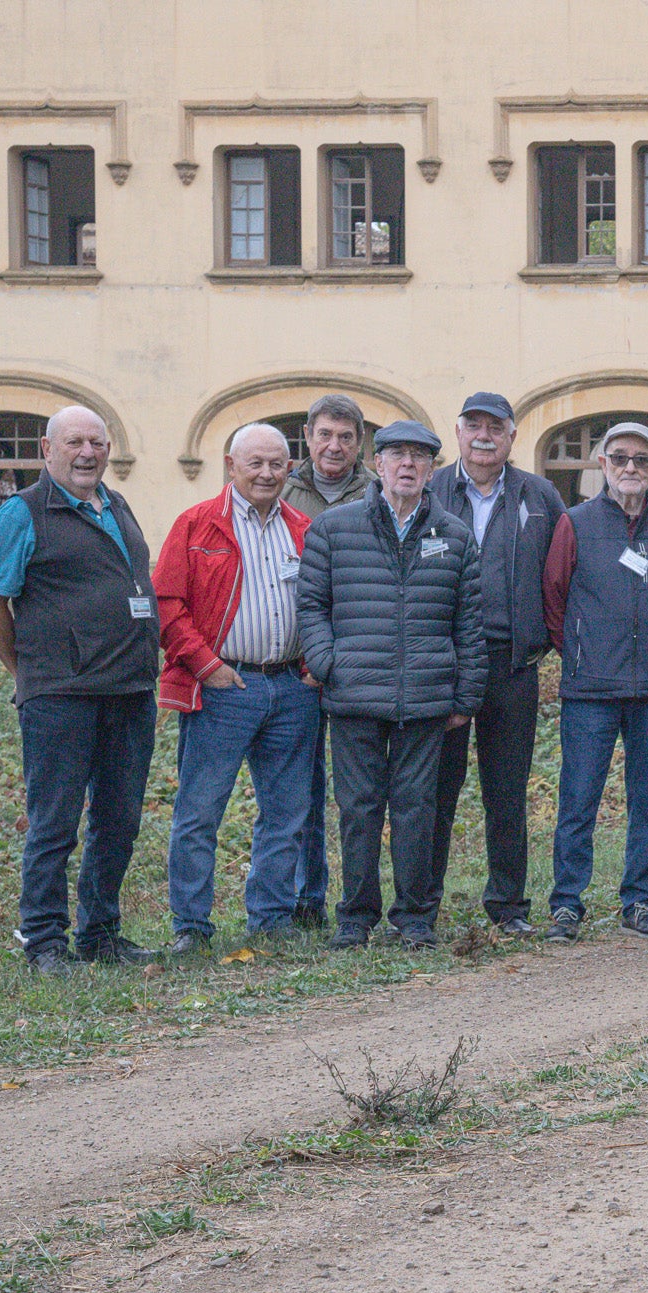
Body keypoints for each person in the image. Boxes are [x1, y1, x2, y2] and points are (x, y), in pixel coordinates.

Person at [0, 406, 160, 974]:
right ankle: (44, 941)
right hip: (60, 696)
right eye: (74, 442)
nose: (87, 452)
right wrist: (29, 672)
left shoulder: (117, 504)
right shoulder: (21, 512)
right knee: (54, 822)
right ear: (47, 451)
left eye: (97, 442)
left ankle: (100, 934)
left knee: (119, 818)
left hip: (129, 690)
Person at [297, 420, 484, 950]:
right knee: (357, 809)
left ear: (431, 469)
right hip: (355, 695)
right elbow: (311, 605)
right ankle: (355, 916)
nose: (407, 465)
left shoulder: (453, 535)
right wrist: (328, 661)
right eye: (397, 455)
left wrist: (466, 695)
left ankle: (414, 916)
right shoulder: (334, 528)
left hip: (426, 697)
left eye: (419, 458)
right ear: (377, 465)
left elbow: (467, 624)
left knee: (417, 809)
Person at [154, 423, 318, 953]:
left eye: (277, 464)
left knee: (287, 813)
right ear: (231, 464)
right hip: (224, 686)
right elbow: (167, 605)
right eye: (256, 463)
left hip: (293, 687)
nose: (267, 473)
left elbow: (325, 601)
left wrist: (317, 660)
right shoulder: (197, 525)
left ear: (290, 468)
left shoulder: (304, 529)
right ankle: (192, 928)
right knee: (200, 811)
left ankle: (270, 920)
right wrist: (206, 665)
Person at [542, 422, 648, 942]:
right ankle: (567, 903)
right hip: (591, 688)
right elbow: (555, 598)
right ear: (603, 465)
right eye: (620, 458)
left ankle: (638, 901)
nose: (631, 467)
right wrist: (585, 652)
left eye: (642, 459)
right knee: (579, 797)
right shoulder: (576, 523)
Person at [424, 392, 566, 937]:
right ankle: (422, 905)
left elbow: (560, 572)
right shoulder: (432, 489)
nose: (484, 436)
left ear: (512, 436)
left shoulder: (539, 494)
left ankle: (508, 906)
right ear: (457, 432)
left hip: (512, 663)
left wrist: (547, 640)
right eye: (473, 426)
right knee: (435, 789)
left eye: (496, 428)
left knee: (507, 791)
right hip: (444, 662)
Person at [282, 392, 372, 932]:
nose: (333, 446)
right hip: (298, 664)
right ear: (309, 439)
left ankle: (359, 897)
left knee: (359, 791)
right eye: (324, 435)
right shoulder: (280, 489)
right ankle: (306, 896)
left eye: (345, 436)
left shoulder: (378, 491)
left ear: (360, 444)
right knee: (301, 787)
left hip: (363, 661)